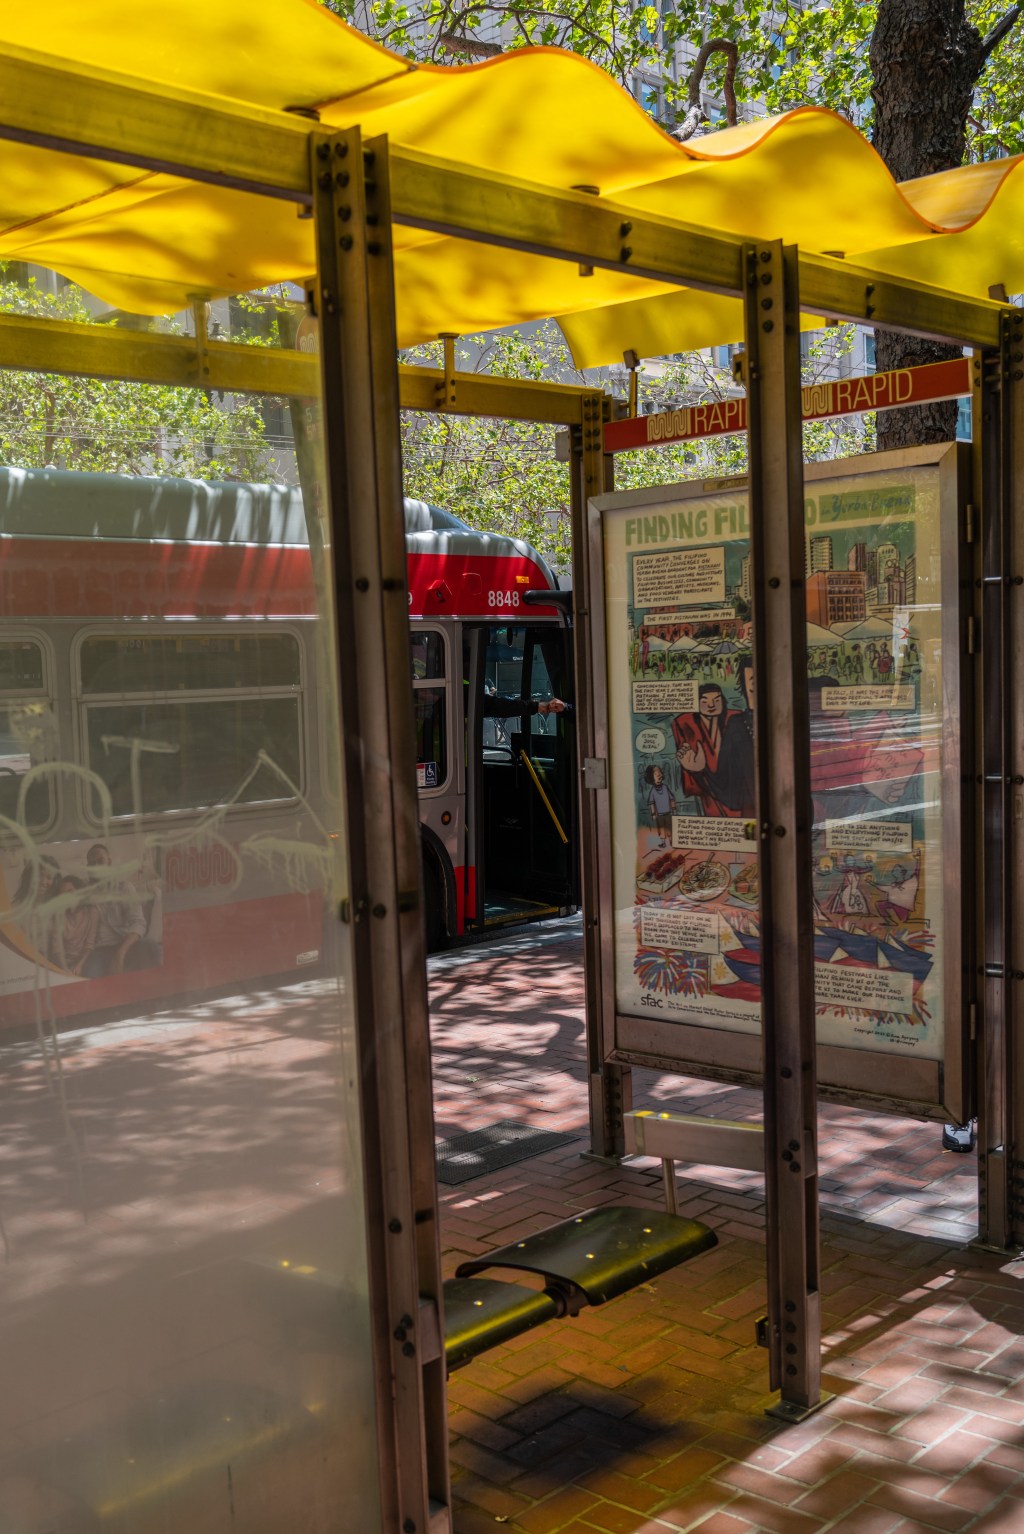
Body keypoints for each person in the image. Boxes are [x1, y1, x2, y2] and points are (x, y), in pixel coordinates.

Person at [81, 842, 160, 977]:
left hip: (124, 943)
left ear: (109, 861)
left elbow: (138, 923)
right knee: (91, 977)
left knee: (150, 947)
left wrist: (120, 954)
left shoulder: (124, 888)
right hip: (99, 951)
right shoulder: (84, 895)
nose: (97, 867)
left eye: (100, 861)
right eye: (92, 864)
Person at [673, 683, 741, 818]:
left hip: (736, 786)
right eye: (705, 701)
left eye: (716, 700)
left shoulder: (735, 718)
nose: (711, 705)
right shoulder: (685, 723)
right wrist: (693, 768)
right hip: (707, 786)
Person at [644, 763, 675, 843]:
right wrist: (653, 813)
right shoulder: (653, 791)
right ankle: (663, 842)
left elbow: (671, 798)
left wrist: (673, 808)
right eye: (655, 774)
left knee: (669, 827)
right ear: (651, 778)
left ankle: (671, 840)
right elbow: (651, 803)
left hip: (668, 813)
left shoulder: (665, 787)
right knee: (661, 828)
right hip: (659, 815)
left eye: (659, 772)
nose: (659, 775)